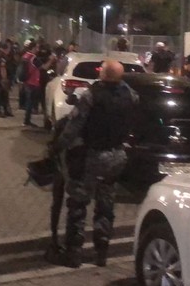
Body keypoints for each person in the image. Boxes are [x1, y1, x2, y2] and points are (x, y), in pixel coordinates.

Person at [49, 60, 137, 268]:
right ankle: (102, 252)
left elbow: (73, 127)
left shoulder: (91, 96)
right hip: (116, 156)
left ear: (103, 75)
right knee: (106, 205)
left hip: (92, 156)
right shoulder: (131, 96)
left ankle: (74, 253)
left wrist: (57, 147)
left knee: (78, 204)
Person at [21, 42, 42, 128]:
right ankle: (27, 121)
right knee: (30, 102)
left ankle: (26, 120)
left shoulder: (25, 55)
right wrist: (51, 60)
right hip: (32, 82)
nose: (38, 49)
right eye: (36, 48)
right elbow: (43, 67)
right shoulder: (33, 57)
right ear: (33, 48)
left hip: (26, 81)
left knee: (28, 101)